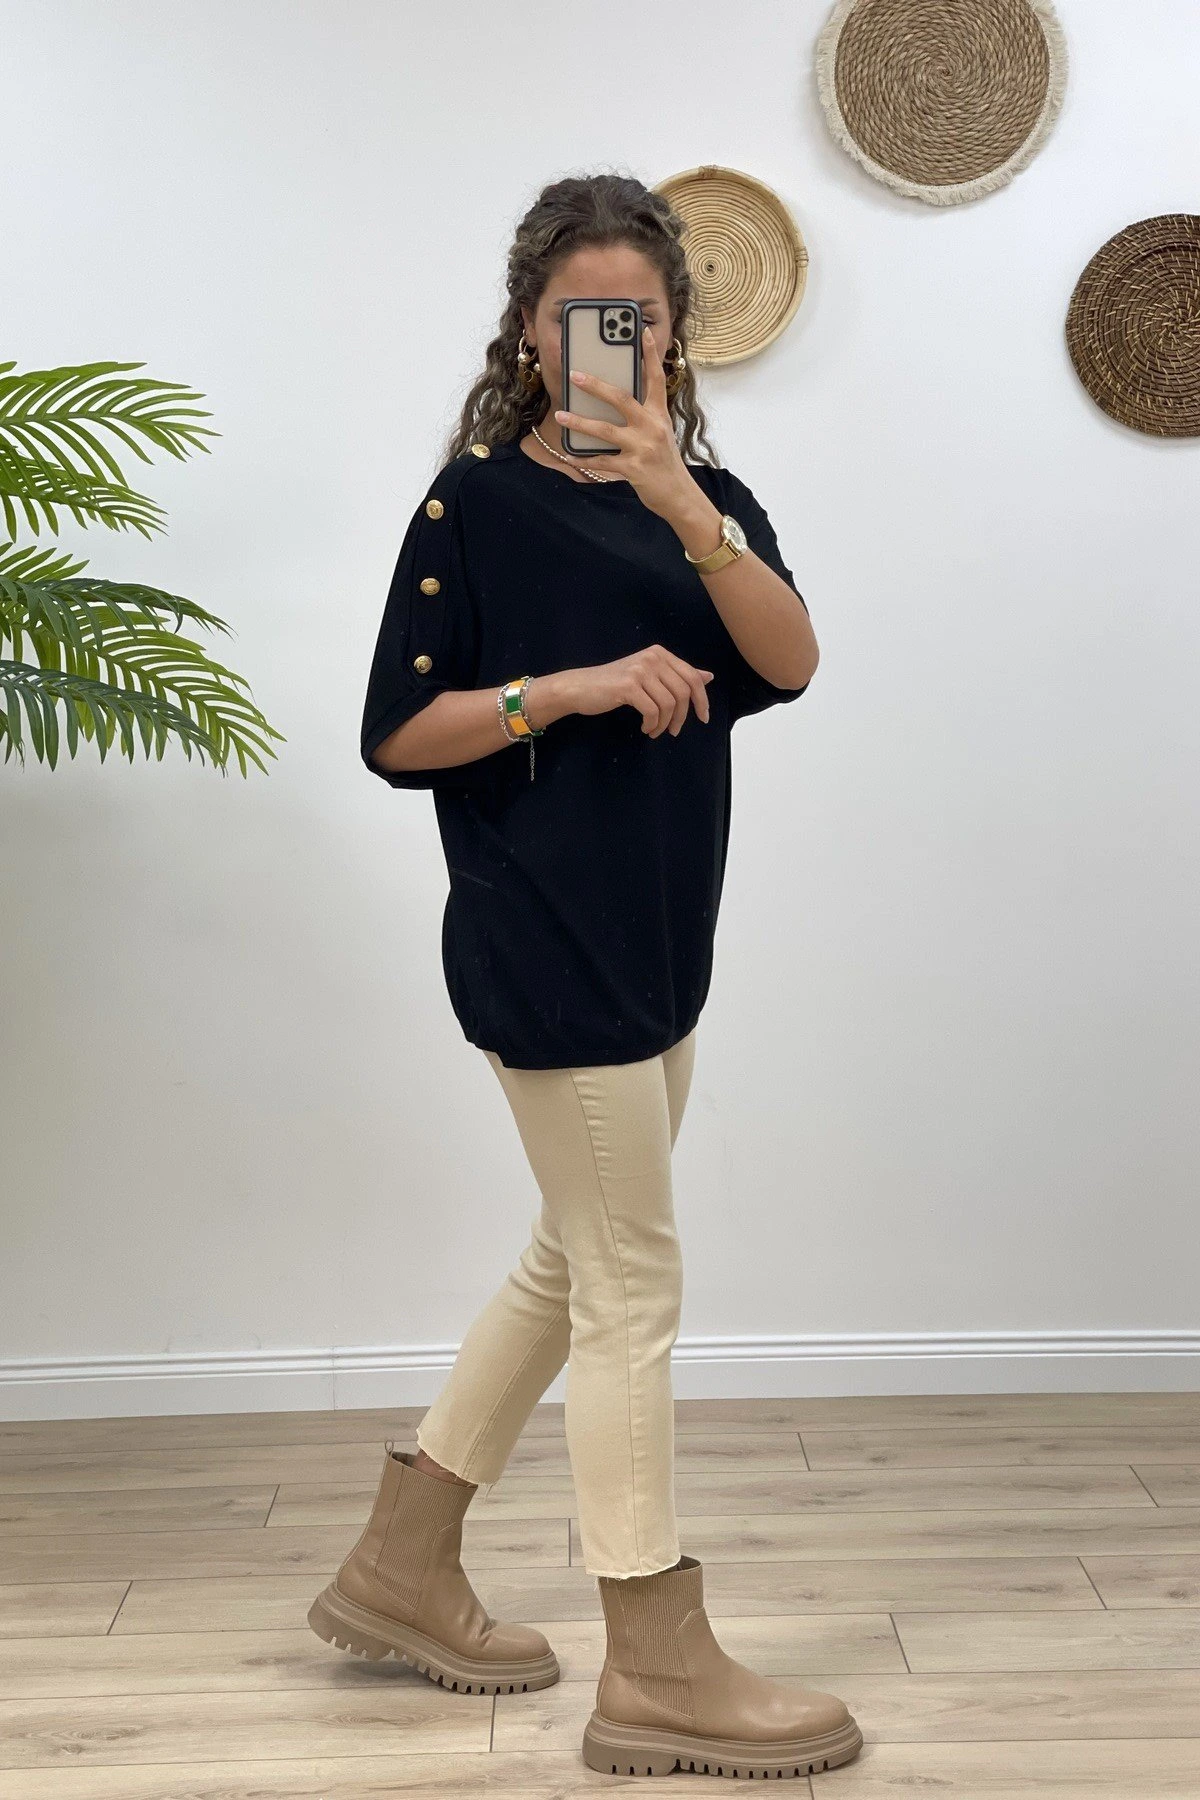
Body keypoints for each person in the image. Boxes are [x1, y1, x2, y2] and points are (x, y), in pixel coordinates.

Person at [308, 172, 862, 1780]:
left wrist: (685, 504)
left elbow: (791, 658)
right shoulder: (471, 507)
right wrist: (567, 689)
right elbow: (399, 732)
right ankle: (656, 1665)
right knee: (633, 1286)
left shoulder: (710, 500)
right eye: (578, 317)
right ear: (530, 333)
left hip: (661, 940)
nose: (608, 342)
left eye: (641, 318)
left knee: (575, 1259)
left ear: (673, 340)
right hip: (542, 938)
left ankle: (401, 1564)